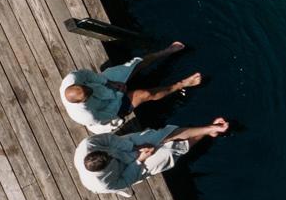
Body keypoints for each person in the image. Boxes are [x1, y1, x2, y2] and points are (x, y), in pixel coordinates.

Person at [58, 41, 201, 132]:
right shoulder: (86, 115)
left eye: (86, 87)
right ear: (83, 102)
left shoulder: (72, 78)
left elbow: (89, 76)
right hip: (111, 108)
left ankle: (165, 51)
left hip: (104, 84)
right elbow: (110, 112)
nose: (90, 90)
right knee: (144, 94)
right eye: (89, 94)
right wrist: (120, 93)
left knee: (135, 65)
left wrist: (109, 83)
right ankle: (181, 84)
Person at [75, 118, 231, 197]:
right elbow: (126, 179)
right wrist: (140, 159)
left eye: (107, 154)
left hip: (123, 147)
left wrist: (134, 147)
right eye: (109, 159)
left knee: (163, 136)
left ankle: (209, 128)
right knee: (168, 152)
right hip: (129, 170)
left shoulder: (88, 144)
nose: (110, 156)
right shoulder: (102, 184)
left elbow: (110, 140)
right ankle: (206, 134)